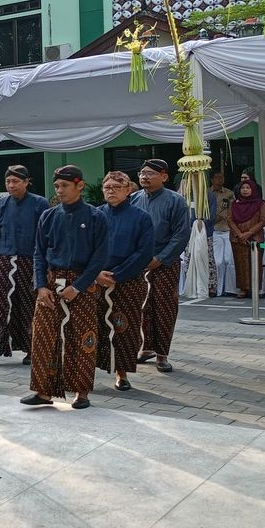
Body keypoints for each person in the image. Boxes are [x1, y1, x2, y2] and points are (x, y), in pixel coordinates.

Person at [22, 165, 108, 410]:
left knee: (82, 337)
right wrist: (40, 286)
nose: (59, 191)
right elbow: (39, 254)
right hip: (51, 283)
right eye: (57, 186)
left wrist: (78, 287)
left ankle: (81, 392)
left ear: (79, 185)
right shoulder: (48, 216)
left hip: (83, 285)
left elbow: (99, 258)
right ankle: (43, 391)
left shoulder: (95, 217)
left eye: (65, 186)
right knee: (43, 337)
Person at [129, 159, 190, 373]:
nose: (144, 176)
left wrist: (161, 258)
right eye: (142, 172)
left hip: (166, 263)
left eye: (150, 173)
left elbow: (181, 235)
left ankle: (162, 354)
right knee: (141, 307)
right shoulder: (133, 199)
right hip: (138, 264)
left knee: (163, 308)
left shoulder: (176, 201)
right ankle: (146, 348)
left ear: (164, 176)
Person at [95, 172, 154, 392]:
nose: (111, 191)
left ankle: (122, 373)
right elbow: (85, 247)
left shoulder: (141, 217)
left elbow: (144, 252)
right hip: (96, 279)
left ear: (128, 189)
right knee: (93, 326)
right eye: (107, 187)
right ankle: (87, 371)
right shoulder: (96, 215)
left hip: (128, 281)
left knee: (124, 327)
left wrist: (118, 275)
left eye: (116, 187)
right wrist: (95, 273)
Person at [0, 165, 49, 367]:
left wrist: (44, 266)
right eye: (8, 181)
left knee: (29, 306)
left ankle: (31, 349)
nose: (11, 185)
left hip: (31, 261)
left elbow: (45, 238)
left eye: (16, 181)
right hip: (4, 263)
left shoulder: (40, 204)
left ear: (26, 182)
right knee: (0, 306)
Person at [231, 178, 265, 298]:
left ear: (253, 190)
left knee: (256, 263)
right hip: (237, 238)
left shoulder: (260, 203)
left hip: (256, 238)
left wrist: (249, 233)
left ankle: (255, 288)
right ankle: (243, 289)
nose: (245, 190)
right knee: (240, 263)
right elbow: (229, 220)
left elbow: (263, 220)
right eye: (243, 188)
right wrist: (239, 234)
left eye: (248, 188)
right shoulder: (234, 204)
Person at [211, 172, 237, 296]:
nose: (220, 179)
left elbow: (232, 209)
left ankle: (230, 289)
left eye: (222, 177)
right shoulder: (206, 192)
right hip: (214, 230)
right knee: (218, 262)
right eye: (217, 177)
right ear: (212, 179)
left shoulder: (229, 193)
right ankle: (218, 289)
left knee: (228, 259)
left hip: (227, 229)